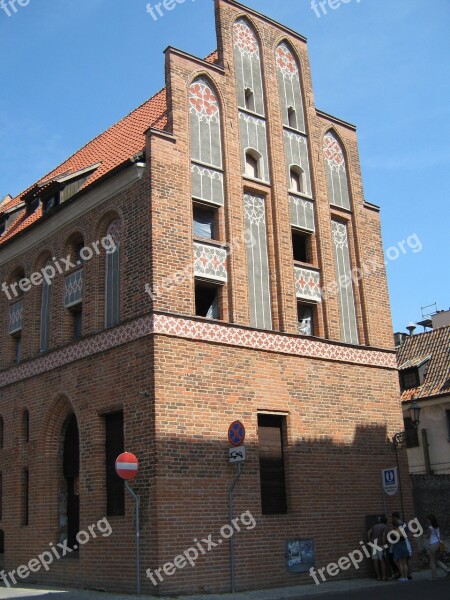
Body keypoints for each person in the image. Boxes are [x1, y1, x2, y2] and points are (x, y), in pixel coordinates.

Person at [424, 514, 450, 580]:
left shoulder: (430, 528)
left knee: (432, 561)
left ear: (430, 520)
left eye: (427, 519)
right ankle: (447, 570)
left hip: (433, 544)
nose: (427, 520)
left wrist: (425, 536)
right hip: (439, 543)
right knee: (436, 560)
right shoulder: (437, 526)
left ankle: (434, 577)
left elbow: (428, 536)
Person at [368, 516, 389, 581]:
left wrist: (370, 541)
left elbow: (369, 532)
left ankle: (378, 576)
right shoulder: (385, 527)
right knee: (382, 561)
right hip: (380, 545)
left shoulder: (374, 526)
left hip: (374, 545)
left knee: (375, 561)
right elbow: (383, 536)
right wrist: (384, 545)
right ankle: (384, 576)